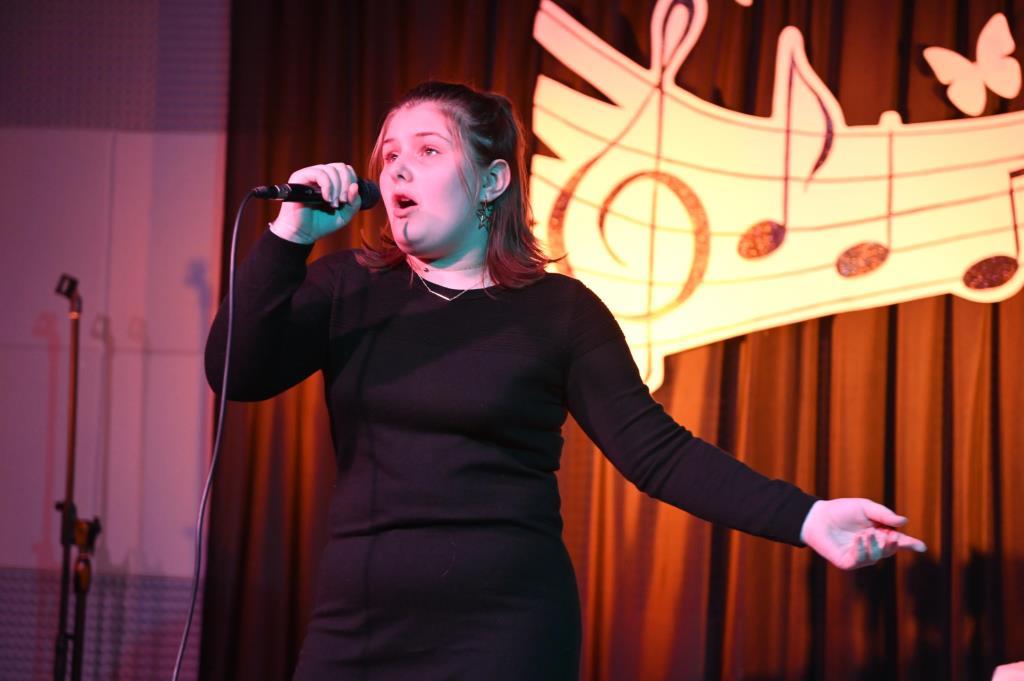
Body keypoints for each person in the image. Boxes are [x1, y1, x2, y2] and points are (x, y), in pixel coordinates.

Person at [205, 81, 927, 680]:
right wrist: (289, 238)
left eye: (427, 151)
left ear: (492, 181)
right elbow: (234, 372)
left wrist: (805, 517)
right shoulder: (348, 288)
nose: (397, 170)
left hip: (503, 632)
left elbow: (657, 454)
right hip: (358, 627)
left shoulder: (558, 312)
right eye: (389, 155)